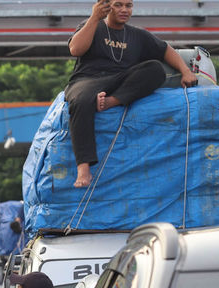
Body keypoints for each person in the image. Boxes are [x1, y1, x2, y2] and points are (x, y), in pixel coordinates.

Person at [65, 0, 198, 187]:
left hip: (121, 81)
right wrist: (94, 17)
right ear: (105, 5)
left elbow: (166, 50)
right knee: (80, 100)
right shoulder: (91, 25)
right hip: (88, 80)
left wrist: (185, 71)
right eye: (118, 5)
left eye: (128, 6)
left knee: (155, 69)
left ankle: (111, 102)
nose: (124, 10)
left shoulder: (138, 35)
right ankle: (84, 168)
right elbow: (75, 49)